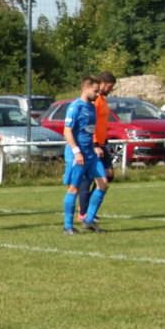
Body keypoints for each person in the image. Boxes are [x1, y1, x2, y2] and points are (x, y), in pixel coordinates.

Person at [62, 76, 109, 235]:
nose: (97, 94)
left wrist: (95, 146)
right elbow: (67, 131)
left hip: (90, 152)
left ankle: (88, 221)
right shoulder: (75, 107)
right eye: (95, 91)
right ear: (85, 89)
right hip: (77, 154)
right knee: (74, 188)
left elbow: (89, 130)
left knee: (103, 184)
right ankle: (68, 227)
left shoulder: (91, 106)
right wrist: (76, 151)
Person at [78, 72, 116, 220]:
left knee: (108, 176)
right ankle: (84, 211)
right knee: (89, 177)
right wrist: (95, 144)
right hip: (94, 144)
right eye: (110, 86)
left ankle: (88, 209)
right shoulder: (95, 101)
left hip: (102, 143)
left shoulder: (103, 100)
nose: (111, 90)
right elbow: (90, 124)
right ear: (102, 84)